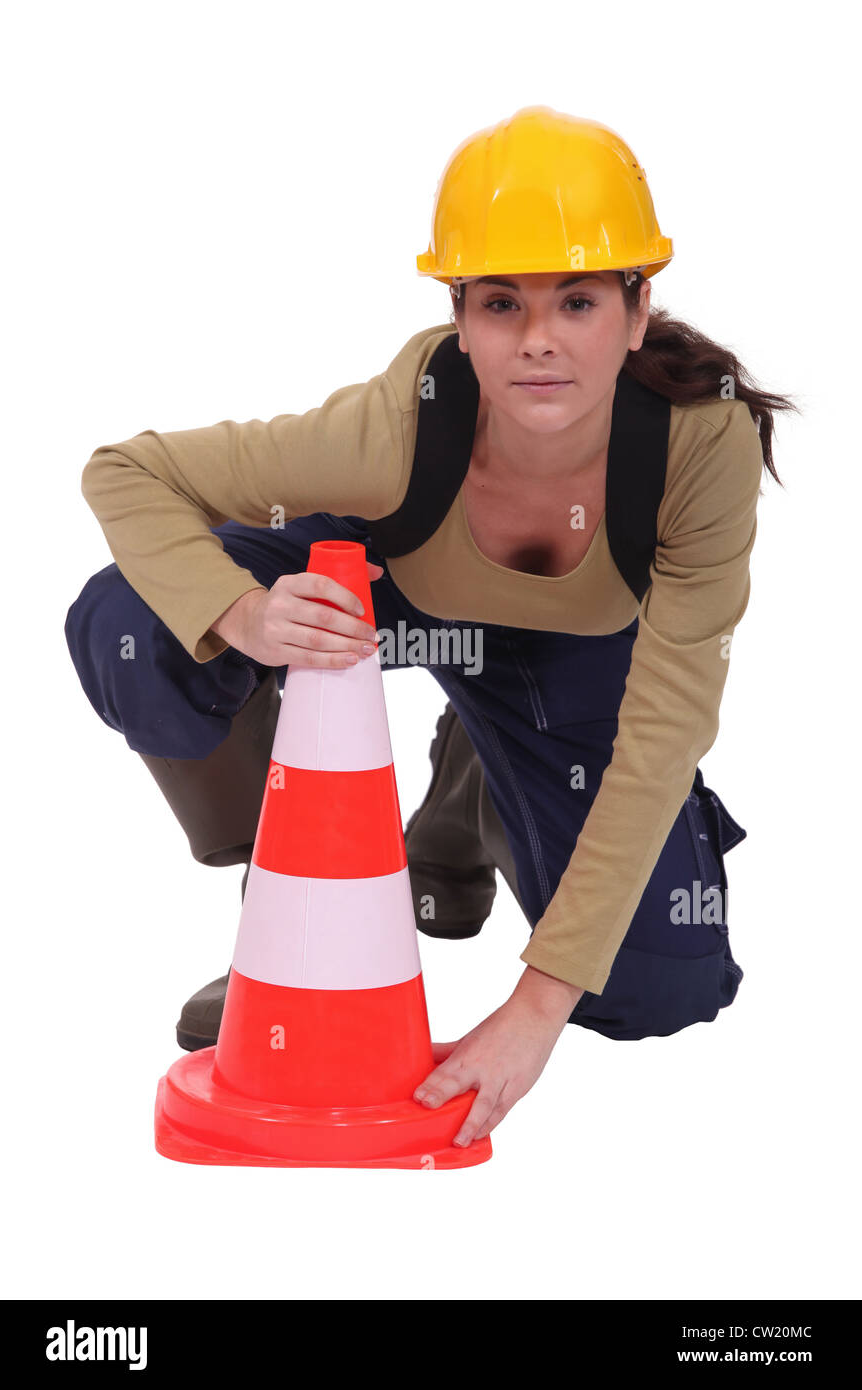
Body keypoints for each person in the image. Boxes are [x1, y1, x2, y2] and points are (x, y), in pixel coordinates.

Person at [64, 106, 796, 1150]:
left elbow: (666, 727)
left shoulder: (698, 449)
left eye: (578, 300)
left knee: (656, 986)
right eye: (500, 303)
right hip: (390, 601)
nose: (537, 338)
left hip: (572, 663)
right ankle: (287, 918)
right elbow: (127, 471)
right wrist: (240, 612)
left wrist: (532, 1011)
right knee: (135, 621)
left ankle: (475, 790)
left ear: (636, 314)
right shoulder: (397, 427)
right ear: (460, 317)